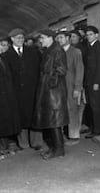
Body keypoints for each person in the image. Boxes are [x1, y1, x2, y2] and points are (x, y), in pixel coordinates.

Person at [2, 28, 42, 151]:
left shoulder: (33, 52)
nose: (20, 40)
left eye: (22, 38)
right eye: (17, 38)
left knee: (34, 115)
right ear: (12, 39)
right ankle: (23, 142)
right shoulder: (6, 55)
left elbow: (38, 70)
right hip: (16, 92)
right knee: (20, 117)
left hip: (32, 90)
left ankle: (36, 142)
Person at [33, 29, 69, 159]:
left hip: (54, 92)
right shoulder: (50, 50)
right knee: (52, 120)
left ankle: (59, 150)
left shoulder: (57, 51)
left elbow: (61, 69)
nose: (40, 40)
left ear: (50, 38)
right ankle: (55, 147)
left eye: (42, 38)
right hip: (50, 90)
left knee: (55, 121)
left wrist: (50, 83)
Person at [56, 31, 84, 145]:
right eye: (58, 38)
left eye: (61, 37)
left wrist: (78, 87)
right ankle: (62, 134)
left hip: (71, 85)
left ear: (67, 38)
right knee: (61, 110)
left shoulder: (76, 52)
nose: (59, 40)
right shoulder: (57, 52)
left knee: (72, 110)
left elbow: (79, 70)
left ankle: (74, 136)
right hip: (59, 86)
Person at [84, 26, 100, 138]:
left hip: (95, 83)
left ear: (96, 35)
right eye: (87, 35)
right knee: (93, 106)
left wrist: (97, 82)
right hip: (91, 82)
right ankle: (94, 128)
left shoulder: (99, 48)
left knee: (96, 106)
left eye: (91, 34)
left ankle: (98, 130)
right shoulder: (91, 47)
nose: (88, 37)